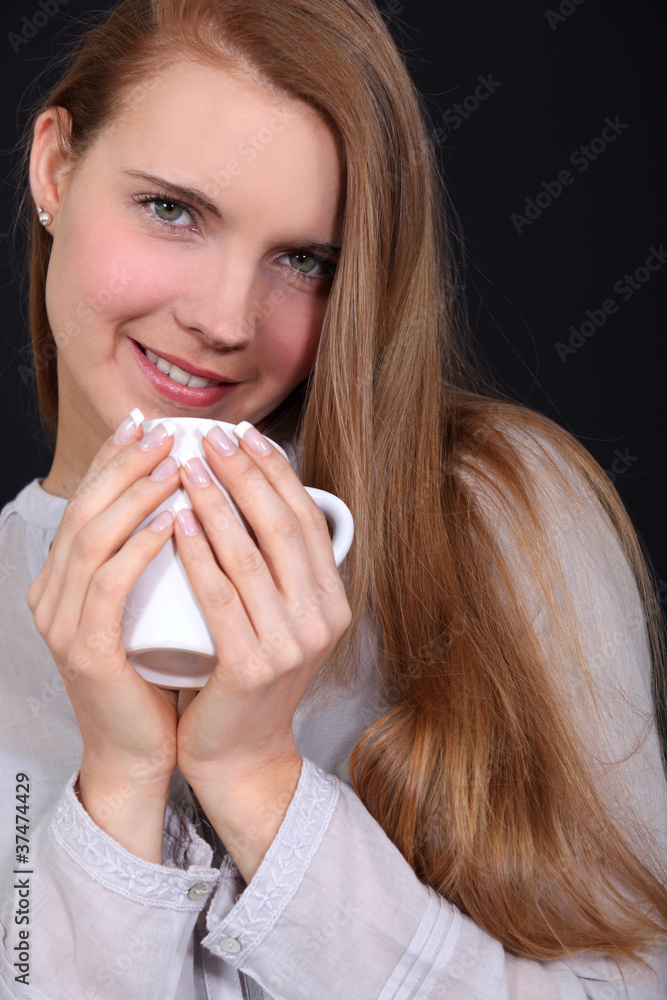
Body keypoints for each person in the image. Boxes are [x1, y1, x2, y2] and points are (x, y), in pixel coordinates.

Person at [0, 0, 665, 997]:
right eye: (172, 209)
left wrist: (258, 783)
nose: (225, 320)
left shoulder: (492, 509)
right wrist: (124, 784)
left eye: (303, 260)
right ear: (55, 168)